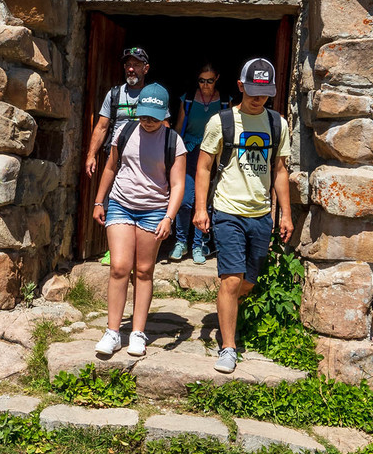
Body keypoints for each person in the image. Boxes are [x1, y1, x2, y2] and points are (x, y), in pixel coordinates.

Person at [193, 55, 293, 375]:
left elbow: (279, 171)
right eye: (251, 91)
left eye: (263, 93)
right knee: (232, 279)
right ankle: (228, 347)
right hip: (227, 210)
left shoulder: (278, 124)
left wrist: (285, 215)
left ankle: (229, 307)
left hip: (261, 214)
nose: (257, 98)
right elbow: (204, 167)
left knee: (248, 282)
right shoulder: (221, 122)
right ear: (240, 86)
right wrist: (199, 209)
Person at [91, 81, 186, 359]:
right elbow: (111, 166)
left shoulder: (173, 141)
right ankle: (112, 332)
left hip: (154, 210)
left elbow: (178, 184)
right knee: (119, 267)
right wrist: (100, 200)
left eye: (153, 117)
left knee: (144, 271)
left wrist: (169, 217)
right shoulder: (124, 130)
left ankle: (137, 332)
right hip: (121, 204)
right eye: (143, 115)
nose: (147, 121)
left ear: (164, 115)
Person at [169, 63, 222, 262]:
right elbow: (179, 127)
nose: (205, 85)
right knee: (185, 200)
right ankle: (181, 242)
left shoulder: (226, 102)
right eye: (202, 80)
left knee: (206, 202)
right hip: (190, 152)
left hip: (213, 155)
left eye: (209, 80)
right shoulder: (188, 100)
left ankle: (199, 244)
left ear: (217, 77)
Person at [85, 43, 152, 183]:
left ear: (146, 69)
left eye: (137, 65)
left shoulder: (153, 96)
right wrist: (91, 155)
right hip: (116, 159)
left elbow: (164, 128)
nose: (131, 69)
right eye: (128, 65)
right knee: (111, 199)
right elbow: (101, 127)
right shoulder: (114, 94)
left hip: (144, 159)